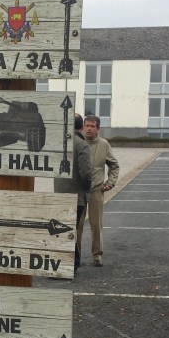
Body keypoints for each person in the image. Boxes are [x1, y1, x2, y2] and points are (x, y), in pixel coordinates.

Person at [78, 115, 119, 267]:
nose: (89, 129)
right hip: (79, 191)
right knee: (77, 225)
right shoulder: (77, 143)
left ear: (98, 129)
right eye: (87, 125)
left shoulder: (104, 144)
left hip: (96, 190)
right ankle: (76, 255)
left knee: (97, 225)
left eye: (92, 126)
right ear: (82, 127)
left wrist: (110, 182)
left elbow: (114, 165)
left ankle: (97, 255)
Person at [54, 114, 92, 273]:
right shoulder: (81, 144)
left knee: (62, 230)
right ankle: (71, 264)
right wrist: (87, 189)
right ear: (81, 127)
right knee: (70, 231)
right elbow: (86, 174)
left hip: (59, 194)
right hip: (76, 197)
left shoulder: (58, 143)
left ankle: (65, 264)